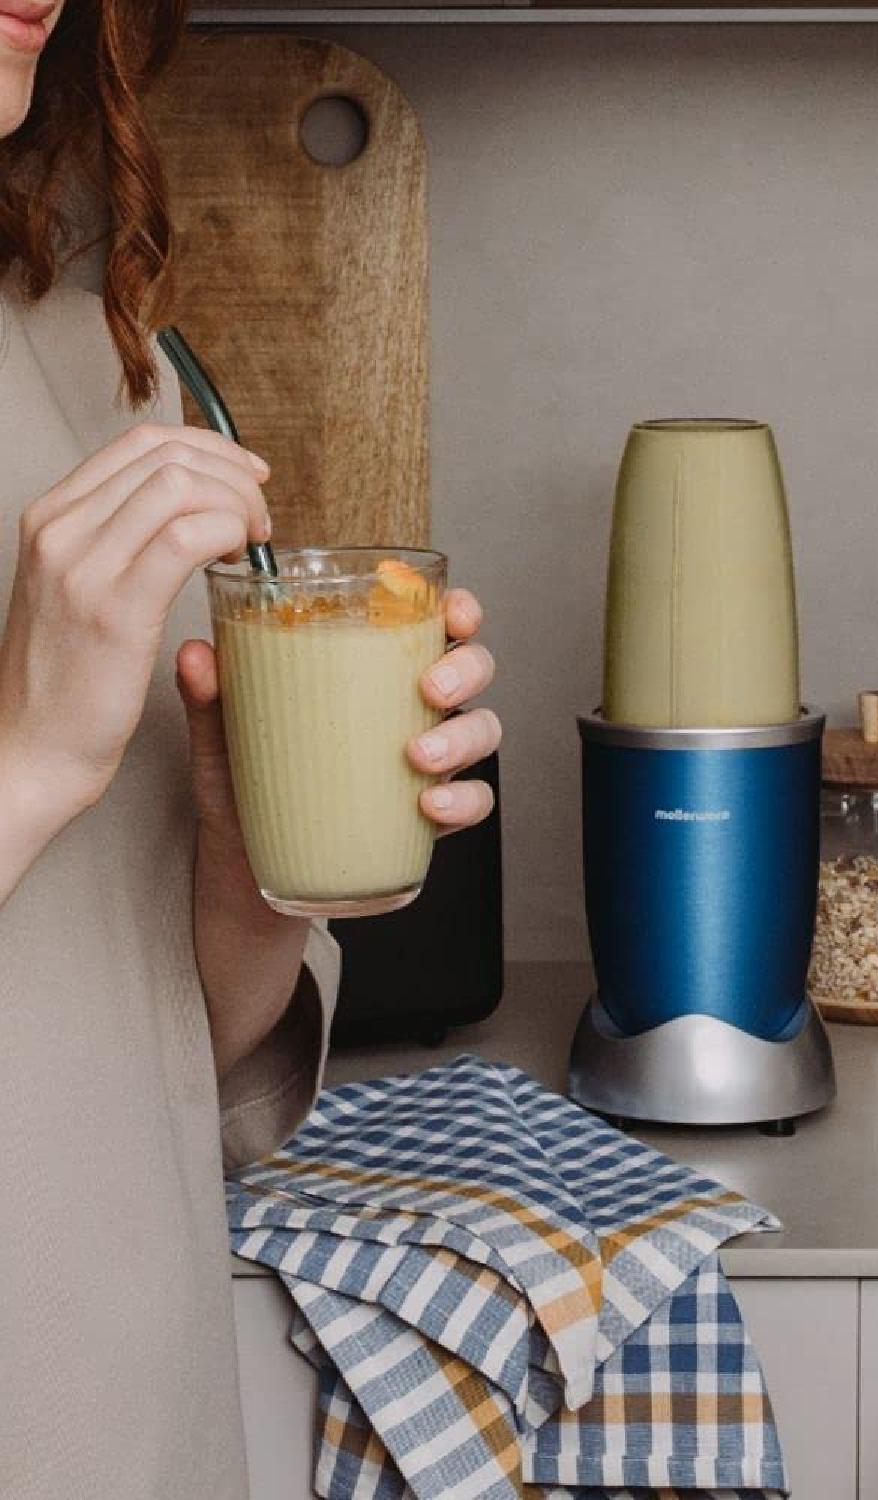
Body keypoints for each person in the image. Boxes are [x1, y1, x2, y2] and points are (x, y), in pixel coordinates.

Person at [0, 4, 502, 1495]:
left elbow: (172, 1057)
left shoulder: (91, 344)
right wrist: (31, 764)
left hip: (130, 1414)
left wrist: (244, 850)